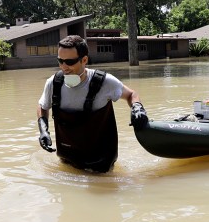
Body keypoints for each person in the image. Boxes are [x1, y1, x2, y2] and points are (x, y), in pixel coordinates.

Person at [36, 35, 149, 173]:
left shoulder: (105, 82)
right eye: (60, 61)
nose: (64, 67)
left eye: (70, 62)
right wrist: (43, 130)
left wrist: (137, 108)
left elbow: (131, 95)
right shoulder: (53, 83)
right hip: (67, 161)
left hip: (100, 164)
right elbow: (43, 106)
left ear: (84, 60)